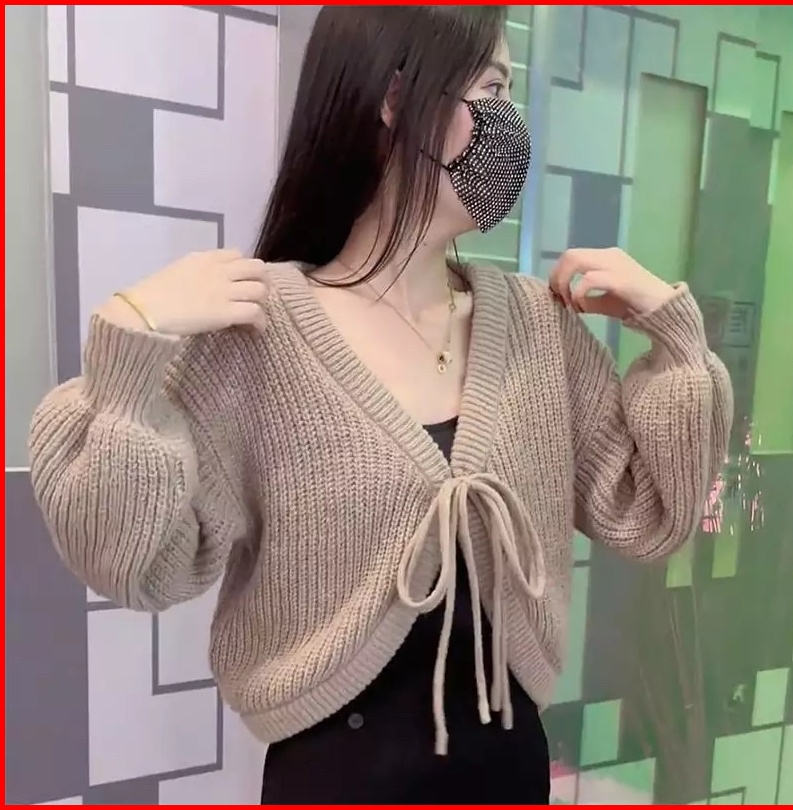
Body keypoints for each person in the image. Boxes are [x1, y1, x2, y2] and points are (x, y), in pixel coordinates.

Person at [29, 6, 733, 805]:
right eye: (491, 90)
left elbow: (650, 514)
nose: (510, 125)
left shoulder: (539, 328)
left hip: (506, 772)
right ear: (395, 99)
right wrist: (128, 349)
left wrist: (676, 338)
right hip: (336, 781)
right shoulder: (257, 335)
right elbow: (135, 564)